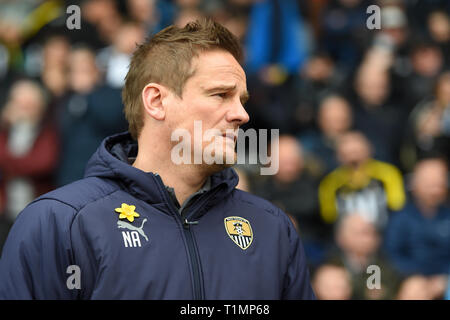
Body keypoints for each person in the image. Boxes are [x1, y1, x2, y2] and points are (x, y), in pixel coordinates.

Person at [0, 18, 315, 300]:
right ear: (156, 101)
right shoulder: (59, 223)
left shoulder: (272, 229)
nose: (242, 115)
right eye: (221, 94)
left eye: (242, 100)